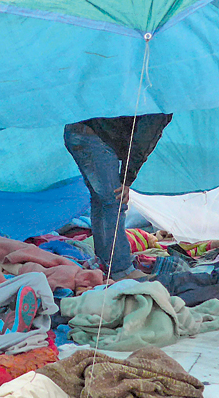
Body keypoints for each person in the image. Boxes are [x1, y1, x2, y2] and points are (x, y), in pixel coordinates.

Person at [64, 114, 173, 280]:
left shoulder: (145, 93)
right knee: (115, 201)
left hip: (77, 129)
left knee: (101, 200)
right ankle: (122, 269)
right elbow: (141, 143)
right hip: (94, 136)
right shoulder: (159, 109)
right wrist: (126, 180)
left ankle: (105, 262)